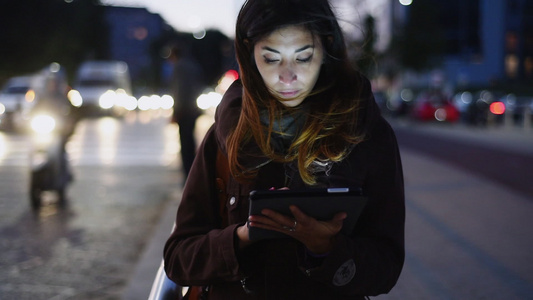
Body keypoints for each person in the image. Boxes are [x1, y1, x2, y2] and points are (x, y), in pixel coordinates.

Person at [164, 0, 405, 299]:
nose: (287, 77)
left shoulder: (366, 133)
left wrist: (328, 250)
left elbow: (387, 266)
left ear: (326, 49)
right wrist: (241, 238)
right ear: (249, 56)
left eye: (303, 57)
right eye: (271, 58)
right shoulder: (228, 132)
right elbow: (178, 257)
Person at [169, 42, 206, 178]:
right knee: (190, 141)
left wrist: (175, 112)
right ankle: (193, 172)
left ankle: (188, 174)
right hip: (193, 109)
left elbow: (179, 91)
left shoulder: (179, 67)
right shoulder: (193, 66)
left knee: (185, 145)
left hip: (184, 111)